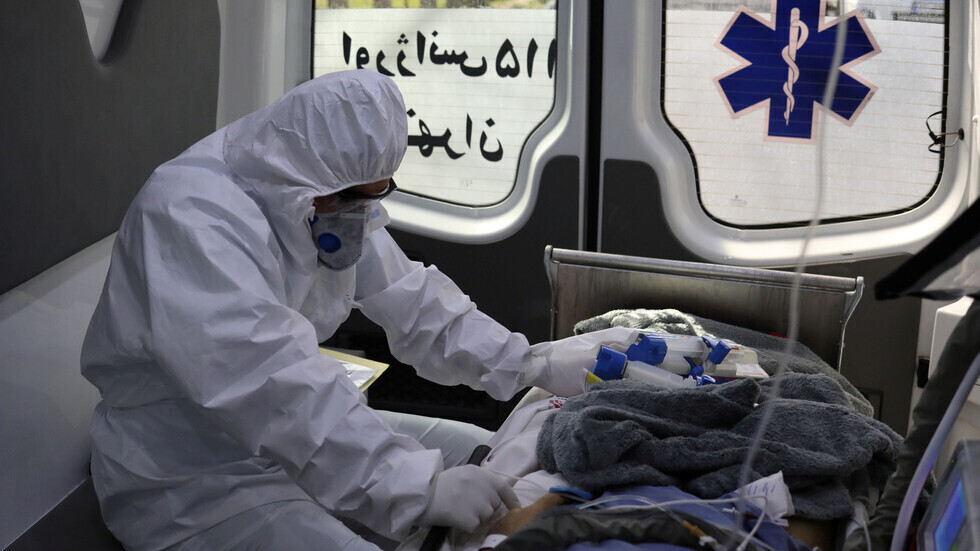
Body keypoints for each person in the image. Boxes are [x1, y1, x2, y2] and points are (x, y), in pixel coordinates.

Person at [81, 69, 635, 551]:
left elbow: (414, 301)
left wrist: (530, 363)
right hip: (188, 478)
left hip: (283, 441)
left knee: (493, 452)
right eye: (350, 197)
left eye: (375, 194)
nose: (356, 214)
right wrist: (412, 486)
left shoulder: (323, 193)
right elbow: (268, 380)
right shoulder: (190, 216)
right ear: (303, 176)